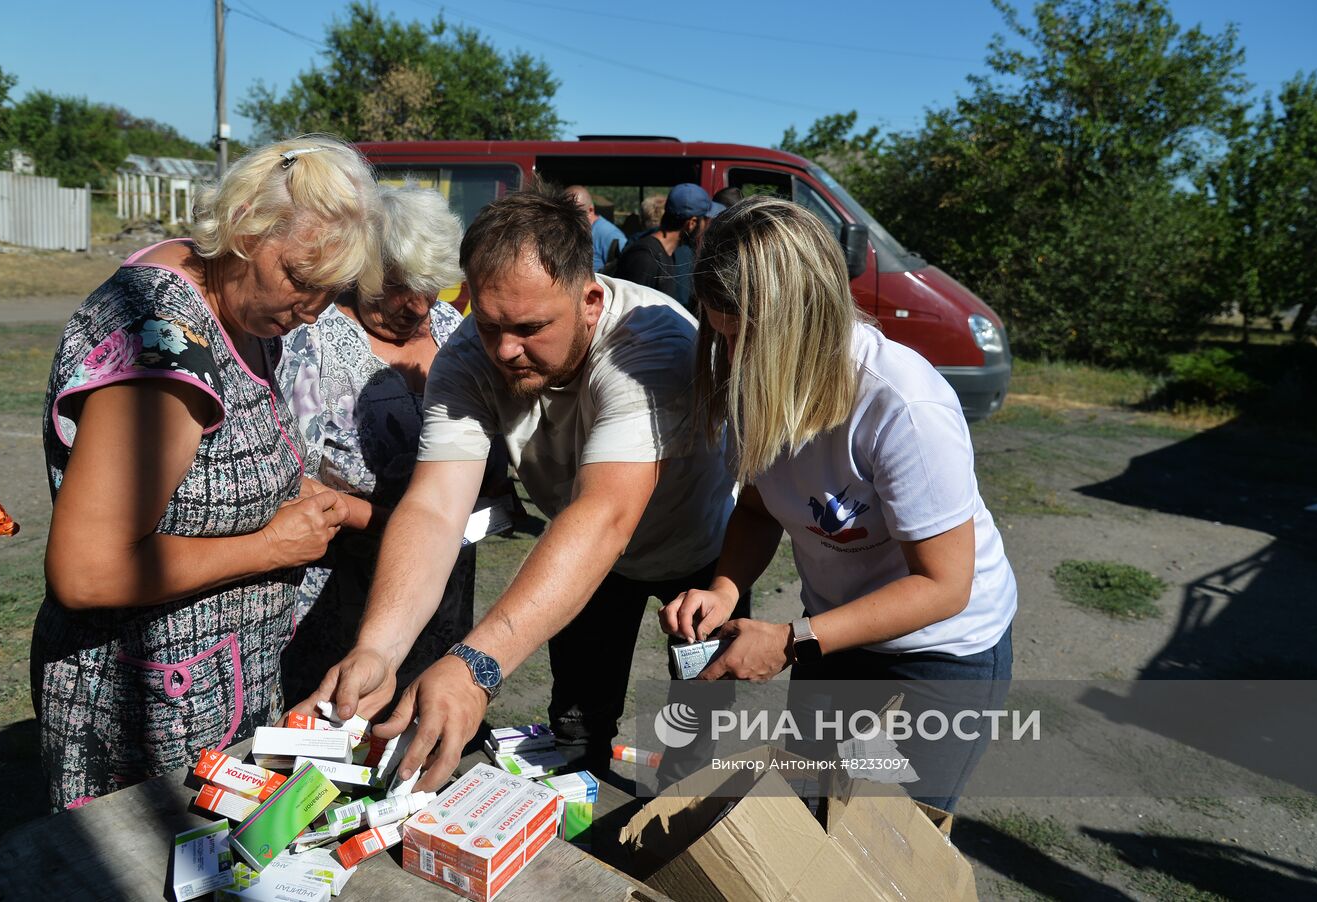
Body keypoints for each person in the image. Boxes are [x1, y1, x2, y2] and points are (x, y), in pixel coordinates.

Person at [300, 185, 741, 788]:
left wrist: (477, 663)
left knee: (703, 736)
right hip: (585, 558)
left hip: (689, 549)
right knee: (577, 727)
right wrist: (379, 647)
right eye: (489, 325)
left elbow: (605, 513)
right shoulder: (467, 357)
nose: (506, 351)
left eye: (532, 327)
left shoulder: (652, 348)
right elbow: (433, 507)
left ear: (590, 301)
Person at [33, 136, 379, 810]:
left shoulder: (240, 307)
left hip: (206, 690)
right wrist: (271, 546)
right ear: (246, 223)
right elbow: (86, 570)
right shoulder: (165, 340)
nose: (311, 309)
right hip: (143, 707)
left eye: (329, 290)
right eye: (300, 278)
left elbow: (206, 476)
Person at [660, 197, 1016, 812]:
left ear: (804, 320)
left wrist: (792, 640)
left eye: (748, 341)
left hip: (938, 656)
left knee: (889, 839)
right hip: (834, 639)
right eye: (722, 337)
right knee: (806, 812)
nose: (737, 361)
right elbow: (756, 508)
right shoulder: (756, 378)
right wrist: (723, 588)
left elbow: (943, 586)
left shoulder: (902, 405)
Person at [277, 186, 504, 707]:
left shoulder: (454, 329)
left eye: (432, 287)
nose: (418, 306)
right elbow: (296, 488)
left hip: (444, 576)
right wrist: (404, 526)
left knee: (420, 712)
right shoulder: (313, 342)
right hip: (340, 587)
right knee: (338, 722)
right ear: (363, 269)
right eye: (400, 286)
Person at [612, 183, 722, 310]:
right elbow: (629, 317)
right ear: (691, 223)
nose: (706, 227)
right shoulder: (644, 258)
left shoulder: (668, 254)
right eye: (705, 221)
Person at [565, 184, 627, 271]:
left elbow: (626, 271)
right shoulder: (571, 232)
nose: (569, 218)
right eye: (564, 213)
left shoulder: (610, 235)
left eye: (575, 213)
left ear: (590, 211)